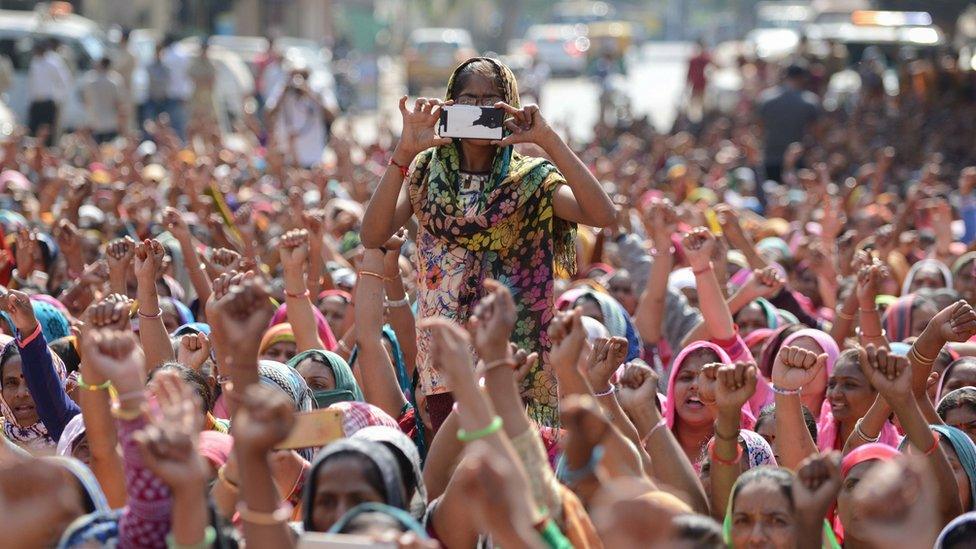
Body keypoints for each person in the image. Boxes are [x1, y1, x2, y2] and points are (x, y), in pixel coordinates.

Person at [361, 57, 615, 428]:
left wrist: (546, 138)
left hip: (512, 359)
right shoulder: (425, 172)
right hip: (444, 361)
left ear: (509, 105)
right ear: (450, 104)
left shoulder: (530, 180)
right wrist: (403, 153)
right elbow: (373, 234)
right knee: (455, 471)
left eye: (491, 100)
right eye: (468, 99)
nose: (479, 109)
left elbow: (603, 216)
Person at [756, 64, 820, 183]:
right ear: (803, 78)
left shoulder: (766, 98)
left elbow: (759, 127)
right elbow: (814, 132)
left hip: (771, 156)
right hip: (798, 159)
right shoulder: (810, 101)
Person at [266, 67, 337, 168]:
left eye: (303, 76)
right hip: (289, 158)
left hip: (314, 158)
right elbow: (268, 116)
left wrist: (309, 93)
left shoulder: (318, 90)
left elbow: (332, 116)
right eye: (293, 76)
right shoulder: (282, 91)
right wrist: (282, 94)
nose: (297, 80)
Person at [26, 42, 67, 144]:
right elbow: (32, 82)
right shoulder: (35, 62)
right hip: (36, 101)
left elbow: (63, 80)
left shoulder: (53, 62)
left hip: (48, 101)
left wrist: (58, 98)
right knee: (33, 129)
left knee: (48, 130)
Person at [80, 58, 125, 143]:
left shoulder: (90, 81)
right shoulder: (115, 81)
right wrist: (121, 124)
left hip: (95, 123)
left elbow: (86, 101)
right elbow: (119, 104)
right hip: (111, 123)